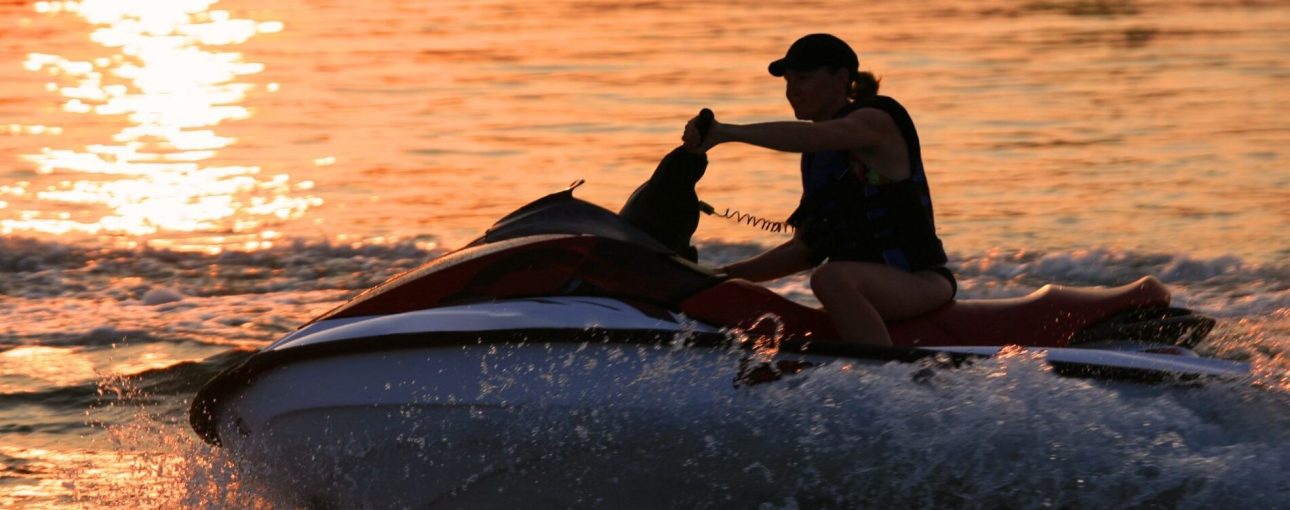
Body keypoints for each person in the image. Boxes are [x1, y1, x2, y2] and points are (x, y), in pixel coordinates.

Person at [681, 33, 956, 346]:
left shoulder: (875, 120)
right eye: (788, 80)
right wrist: (715, 276)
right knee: (820, 287)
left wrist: (725, 132)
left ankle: (885, 383)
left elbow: (820, 135)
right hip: (867, 285)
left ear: (840, 79)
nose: (792, 90)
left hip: (919, 281)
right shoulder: (818, 158)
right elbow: (804, 251)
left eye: (804, 78)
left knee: (830, 277)